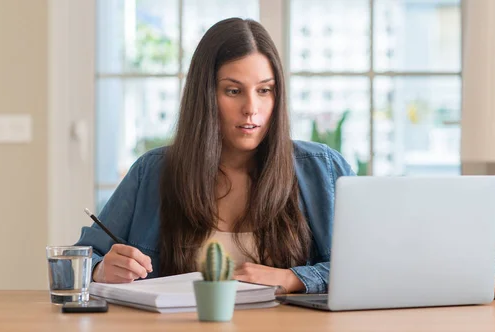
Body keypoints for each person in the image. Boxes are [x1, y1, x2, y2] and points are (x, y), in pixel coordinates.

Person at [75, 17, 355, 294]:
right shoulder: (152, 171)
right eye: (233, 91)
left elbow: (374, 265)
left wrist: (292, 278)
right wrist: (101, 270)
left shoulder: (324, 168)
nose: (251, 107)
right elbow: (79, 261)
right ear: (205, 95)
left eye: (264, 90)